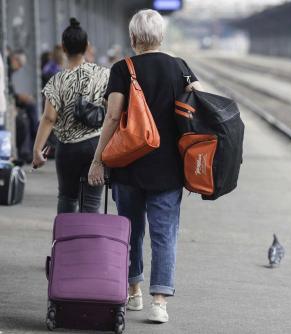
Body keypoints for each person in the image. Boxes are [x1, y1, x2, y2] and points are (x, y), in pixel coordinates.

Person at [88, 9, 202, 324]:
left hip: (128, 165)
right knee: (164, 234)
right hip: (168, 169)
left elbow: (112, 117)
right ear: (161, 36)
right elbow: (196, 114)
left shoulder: (123, 69)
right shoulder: (181, 68)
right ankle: (159, 302)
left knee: (130, 231)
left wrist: (98, 159)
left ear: (133, 37)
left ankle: (134, 292)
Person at [32, 18, 109, 213]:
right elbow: (113, 111)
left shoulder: (57, 80)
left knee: (67, 198)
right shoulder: (104, 75)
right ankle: (88, 243)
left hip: (67, 149)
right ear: (87, 46)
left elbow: (49, 118)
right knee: (91, 203)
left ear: (64, 48)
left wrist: (37, 150)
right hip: (96, 145)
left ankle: (65, 242)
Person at [7, 49, 39, 160]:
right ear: (14, 59)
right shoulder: (6, 69)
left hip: (11, 102)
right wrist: (18, 99)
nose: (19, 68)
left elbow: (10, 92)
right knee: (22, 120)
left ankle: (35, 136)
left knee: (31, 105)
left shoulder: (9, 71)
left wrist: (20, 97)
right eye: (19, 64)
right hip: (7, 105)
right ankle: (24, 151)